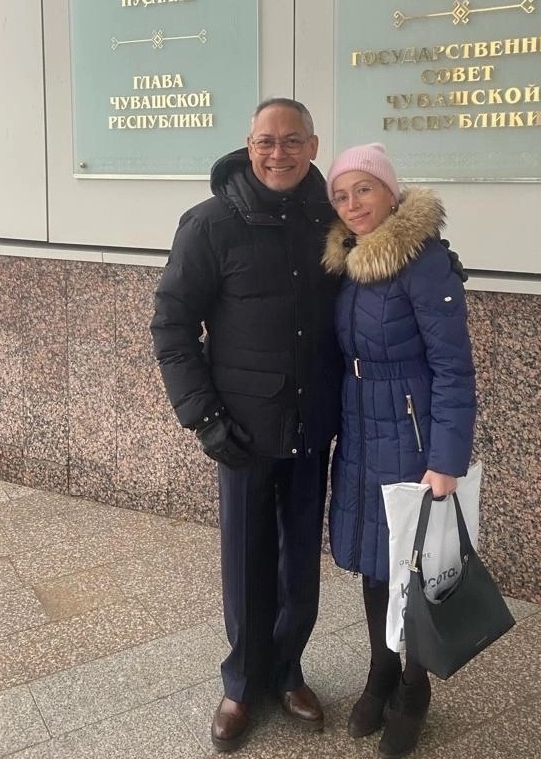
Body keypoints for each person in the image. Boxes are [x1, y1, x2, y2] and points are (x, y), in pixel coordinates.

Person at [150, 98, 342, 752]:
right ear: (249, 144)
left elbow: (387, 253)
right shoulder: (210, 223)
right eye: (267, 141)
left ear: (312, 146)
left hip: (312, 423)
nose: (278, 153)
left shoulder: (331, 219)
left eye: (292, 141)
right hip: (240, 430)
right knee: (246, 561)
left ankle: (287, 672)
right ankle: (241, 683)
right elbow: (172, 325)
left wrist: (433, 256)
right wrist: (202, 416)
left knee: (300, 563)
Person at [321, 142, 477, 759]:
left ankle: (415, 688)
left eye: (364, 189)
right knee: (373, 560)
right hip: (361, 425)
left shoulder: (424, 262)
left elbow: (453, 368)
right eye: (341, 195)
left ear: (390, 191)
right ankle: (381, 670)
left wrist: (446, 459)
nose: (353, 204)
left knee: (412, 563)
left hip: (412, 433)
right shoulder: (348, 260)